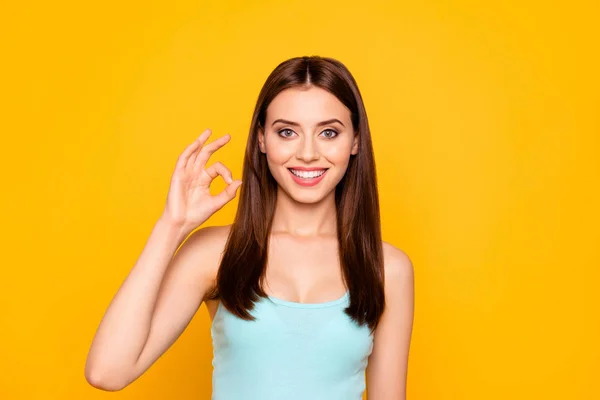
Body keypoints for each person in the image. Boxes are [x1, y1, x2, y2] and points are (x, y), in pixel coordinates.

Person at [85, 55, 415, 399]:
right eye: (287, 132)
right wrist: (172, 226)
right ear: (261, 140)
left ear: (355, 142)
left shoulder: (388, 268)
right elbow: (107, 371)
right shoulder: (215, 253)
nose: (307, 153)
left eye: (328, 132)